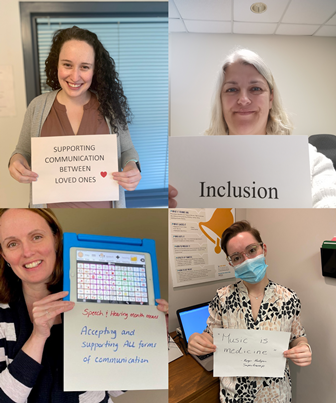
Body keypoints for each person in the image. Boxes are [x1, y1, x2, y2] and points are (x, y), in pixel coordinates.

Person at [0, 208, 168, 402]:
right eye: (12, 244)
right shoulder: (3, 317)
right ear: (5, 256)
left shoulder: (99, 299)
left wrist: (151, 341)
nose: (27, 252)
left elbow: (116, 388)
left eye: (36, 237)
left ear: (55, 240)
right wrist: (38, 337)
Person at [169, 48, 336, 208]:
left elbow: (329, 202)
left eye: (255, 89)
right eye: (232, 89)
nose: (243, 100)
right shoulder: (190, 162)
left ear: (271, 98)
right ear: (220, 100)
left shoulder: (308, 159)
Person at [8, 26, 141, 208]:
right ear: (57, 64)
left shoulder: (110, 108)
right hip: (51, 216)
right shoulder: (37, 107)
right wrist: (16, 161)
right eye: (67, 65)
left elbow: (128, 151)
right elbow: (22, 151)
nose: (75, 76)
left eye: (85, 67)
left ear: (95, 70)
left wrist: (132, 167)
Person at [188, 220, 312, 403]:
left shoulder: (288, 298)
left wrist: (303, 348)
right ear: (231, 263)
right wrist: (196, 340)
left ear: (264, 249)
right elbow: (210, 336)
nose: (246, 260)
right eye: (237, 257)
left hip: (276, 395)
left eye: (252, 250)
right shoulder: (223, 297)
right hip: (234, 395)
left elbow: (297, 337)